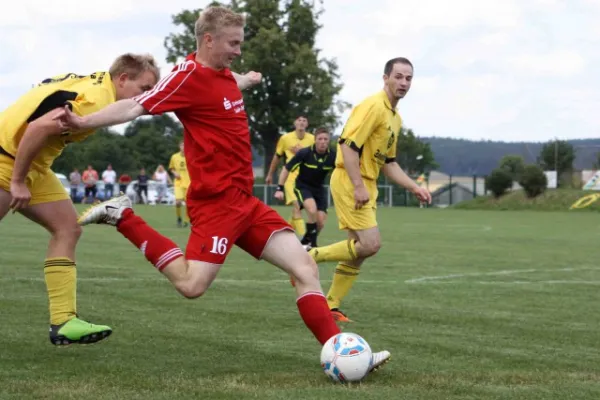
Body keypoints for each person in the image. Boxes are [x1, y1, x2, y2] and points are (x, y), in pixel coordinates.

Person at [56, 6, 390, 370]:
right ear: (209, 39)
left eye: (239, 43)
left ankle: (341, 352)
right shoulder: (186, 76)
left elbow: (222, 90)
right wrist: (84, 120)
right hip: (215, 205)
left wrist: (243, 79)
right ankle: (123, 216)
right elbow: (135, 106)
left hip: (244, 203)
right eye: (233, 43)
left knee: (305, 269)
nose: (238, 50)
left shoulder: (224, 76)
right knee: (191, 286)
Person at [0, 53, 160, 345]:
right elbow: (37, 128)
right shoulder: (98, 99)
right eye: (144, 89)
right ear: (123, 79)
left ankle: (63, 321)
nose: (146, 99)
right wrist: (18, 181)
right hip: (8, 158)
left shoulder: (97, 83)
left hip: (33, 163)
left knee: (68, 229)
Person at [304, 58, 432, 323]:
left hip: (366, 183)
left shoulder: (395, 118)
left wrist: (413, 187)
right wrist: (359, 186)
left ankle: (330, 306)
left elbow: (388, 162)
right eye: (398, 77)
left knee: (357, 251)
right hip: (352, 181)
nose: (404, 83)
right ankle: (307, 257)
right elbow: (348, 146)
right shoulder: (373, 106)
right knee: (370, 244)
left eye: (408, 78)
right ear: (385, 78)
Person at [274, 127, 334, 248]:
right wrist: (279, 188)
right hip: (303, 187)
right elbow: (286, 169)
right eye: (320, 139)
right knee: (311, 210)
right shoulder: (305, 153)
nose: (322, 141)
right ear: (315, 140)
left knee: (320, 222)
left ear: (328, 141)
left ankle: (305, 241)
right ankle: (313, 245)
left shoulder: (333, 156)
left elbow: (342, 172)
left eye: (325, 139)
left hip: (319, 190)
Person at [265, 116, 314, 237]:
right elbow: (277, 157)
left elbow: (316, 158)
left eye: (304, 120)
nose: (301, 122)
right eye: (299, 120)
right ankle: (306, 240)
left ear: (307, 124)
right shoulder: (285, 138)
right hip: (289, 177)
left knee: (297, 210)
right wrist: (270, 174)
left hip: (305, 178)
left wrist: (302, 152)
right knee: (298, 205)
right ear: (294, 123)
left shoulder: (312, 139)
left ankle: (284, 234)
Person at [168, 141, 190, 227]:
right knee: (178, 202)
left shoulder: (191, 156)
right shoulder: (174, 157)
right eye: (182, 145)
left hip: (189, 183)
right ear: (179, 146)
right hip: (178, 183)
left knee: (189, 204)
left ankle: (186, 221)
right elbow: (171, 168)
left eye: (185, 145)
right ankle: (179, 218)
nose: (183, 147)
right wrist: (174, 173)